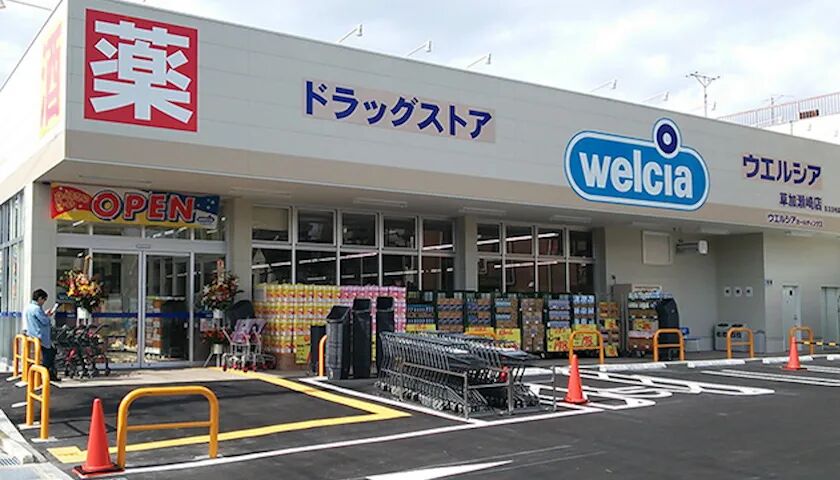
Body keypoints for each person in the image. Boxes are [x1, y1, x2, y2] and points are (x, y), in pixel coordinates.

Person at [24, 289, 58, 380]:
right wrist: (48, 316)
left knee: (46, 354)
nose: (43, 302)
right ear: (39, 298)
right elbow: (45, 321)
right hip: (41, 336)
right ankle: (42, 374)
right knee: (49, 354)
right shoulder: (37, 309)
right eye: (44, 300)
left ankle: (48, 374)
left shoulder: (29, 307)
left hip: (33, 334)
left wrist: (44, 314)